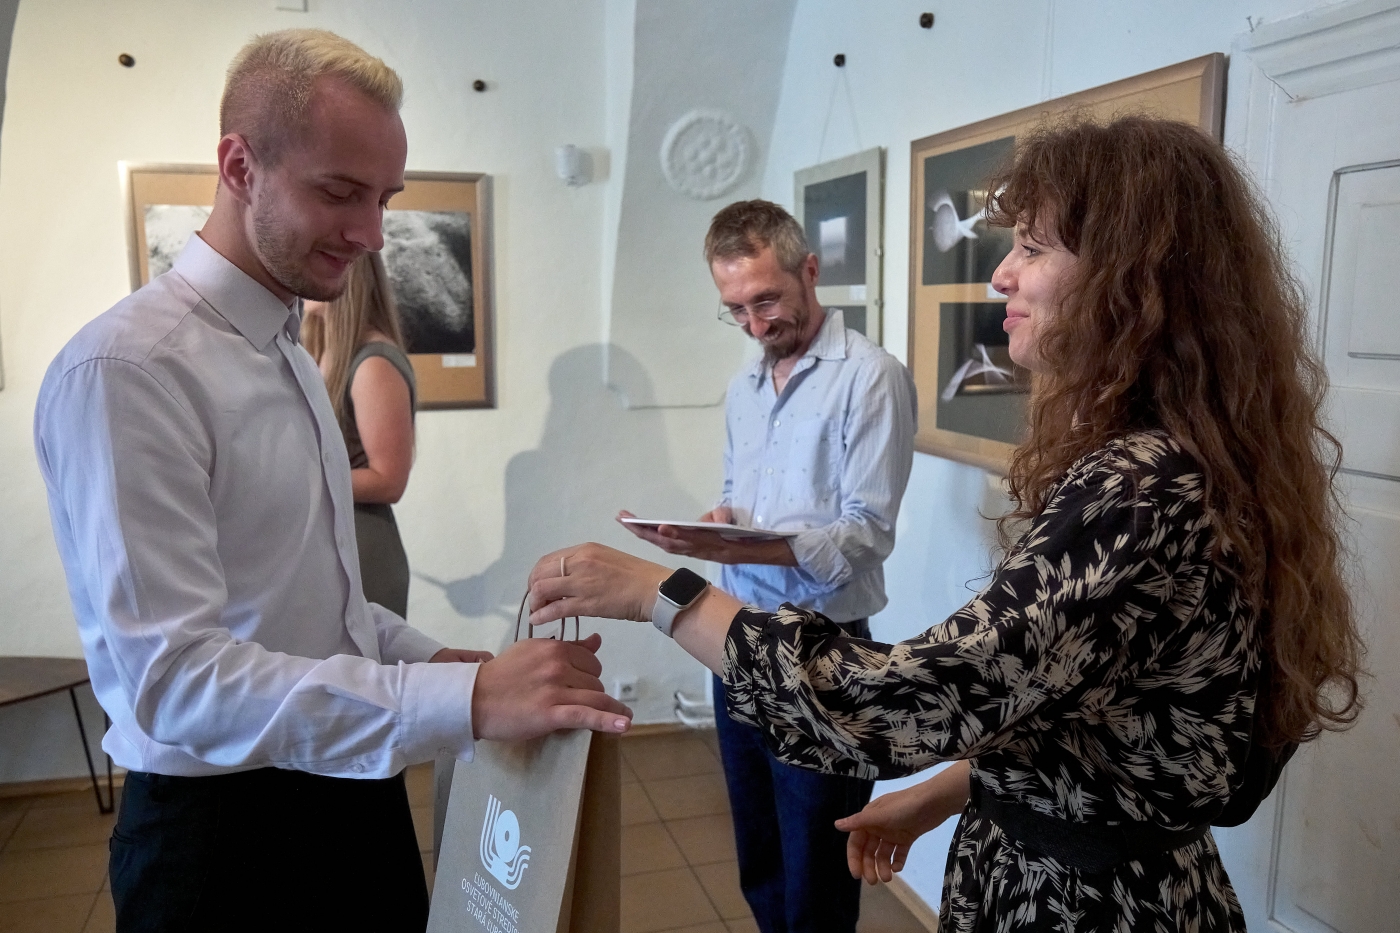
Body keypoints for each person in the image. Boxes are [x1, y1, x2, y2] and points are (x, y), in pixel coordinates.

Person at [526, 116, 1364, 931]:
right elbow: (1081, 706)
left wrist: (660, 593)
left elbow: (910, 696)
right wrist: (957, 788)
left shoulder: (1140, 489)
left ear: (1133, 278)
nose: (1000, 276)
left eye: (1031, 246)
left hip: (1083, 901)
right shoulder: (1179, 463)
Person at [33, 29, 630, 933]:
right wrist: (464, 700)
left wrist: (433, 659)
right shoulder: (130, 370)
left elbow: (310, 603)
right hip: (225, 836)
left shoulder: (285, 348)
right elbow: (177, 681)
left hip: (347, 785)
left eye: (384, 198)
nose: (371, 234)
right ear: (240, 166)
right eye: (340, 192)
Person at [617, 199, 916, 933]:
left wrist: (749, 548)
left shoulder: (871, 377)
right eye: (735, 309)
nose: (754, 325)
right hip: (735, 636)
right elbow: (738, 498)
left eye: (766, 300)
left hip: (826, 647)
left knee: (817, 867)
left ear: (809, 270)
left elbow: (868, 535)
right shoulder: (745, 388)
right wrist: (718, 525)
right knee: (759, 858)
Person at [303, 252, 416, 617]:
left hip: (362, 551)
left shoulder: (373, 363)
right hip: (332, 545)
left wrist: (298, 477)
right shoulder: (323, 351)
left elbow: (389, 480)